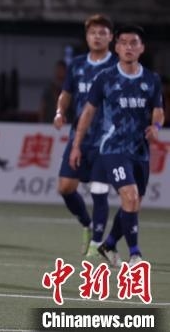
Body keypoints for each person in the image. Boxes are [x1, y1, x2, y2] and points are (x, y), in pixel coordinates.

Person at [71, 24, 164, 266]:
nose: (128, 47)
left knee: (133, 203)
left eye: (134, 43)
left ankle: (109, 244)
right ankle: (135, 254)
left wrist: (156, 127)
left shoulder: (151, 79)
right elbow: (88, 113)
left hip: (140, 151)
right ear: (116, 47)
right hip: (113, 149)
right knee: (130, 196)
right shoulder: (105, 78)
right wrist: (76, 144)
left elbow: (158, 111)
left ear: (142, 48)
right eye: (123, 43)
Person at [53, 14, 116, 257]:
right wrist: (60, 112)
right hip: (79, 137)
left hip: (106, 138)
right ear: (86, 36)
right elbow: (66, 94)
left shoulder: (117, 65)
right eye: (92, 33)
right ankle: (87, 224)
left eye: (102, 33)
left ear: (111, 37)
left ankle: (97, 243)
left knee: (99, 190)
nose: (97, 37)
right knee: (65, 187)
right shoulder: (77, 64)